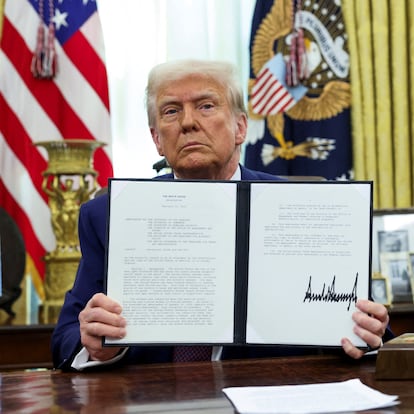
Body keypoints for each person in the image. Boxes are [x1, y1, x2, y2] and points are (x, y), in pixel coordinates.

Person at [51, 59, 392, 371]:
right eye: (170, 112)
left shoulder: (310, 207)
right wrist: (96, 344)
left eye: (206, 106)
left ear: (240, 127)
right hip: (149, 399)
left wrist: (367, 334)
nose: (188, 123)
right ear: (157, 139)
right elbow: (65, 338)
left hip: (273, 394)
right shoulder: (108, 214)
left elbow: (371, 331)